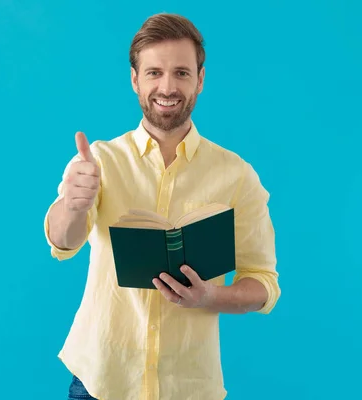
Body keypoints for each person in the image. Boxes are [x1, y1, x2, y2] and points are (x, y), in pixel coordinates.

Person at [44, 13, 280, 400]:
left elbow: (263, 283)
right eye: (154, 72)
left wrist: (210, 297)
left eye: (182, 73)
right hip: (101, 379)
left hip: (189, 386)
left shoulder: (237, 175)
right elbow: (63, 244)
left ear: (200, 80)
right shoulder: (98, 160)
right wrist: (72, 204)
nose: (167, 87)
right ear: (135, 79)